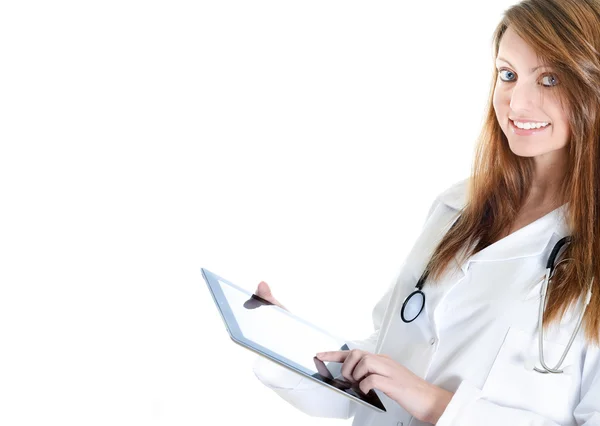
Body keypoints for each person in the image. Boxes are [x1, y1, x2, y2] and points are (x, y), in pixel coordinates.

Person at [252, 0, 600, 424]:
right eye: (507, 75)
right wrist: (284, 343)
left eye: (549, 79)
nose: (517, 103)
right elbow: (382, 364)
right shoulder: (457, 207)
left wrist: (436, 405)